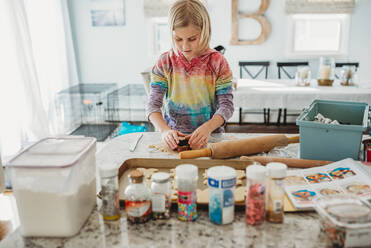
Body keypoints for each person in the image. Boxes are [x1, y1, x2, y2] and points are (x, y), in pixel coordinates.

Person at [146, 0, 234, 150]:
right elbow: (152, 106)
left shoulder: (218, 61)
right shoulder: (164, 62)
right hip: (174, 140)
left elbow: (227, 106)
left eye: (192, 39)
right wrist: (164, 130)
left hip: (211, 138)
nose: (185, 46)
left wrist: (208, 127)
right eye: (178, 39)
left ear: (205, 31)